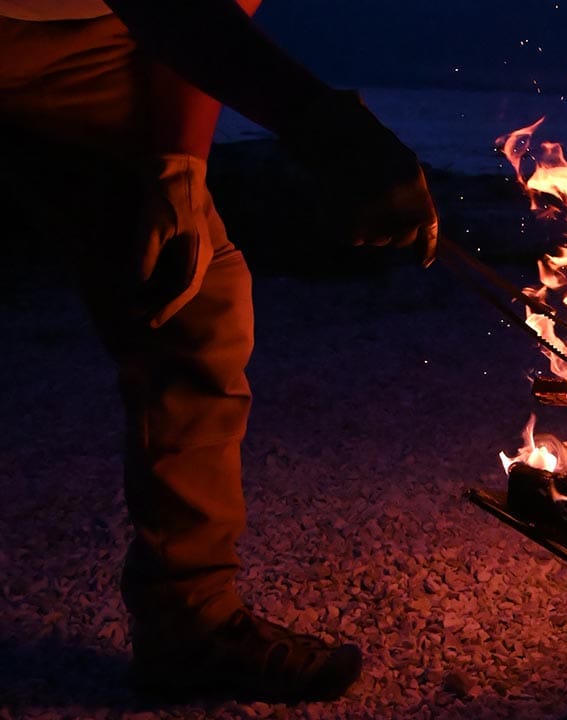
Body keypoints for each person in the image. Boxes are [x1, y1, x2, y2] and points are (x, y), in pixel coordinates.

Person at [0, 0, 438, 703]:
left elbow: (207, 14)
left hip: (84, 38)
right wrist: (326, 128)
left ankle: (188, 625)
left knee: (195, 291)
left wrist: (178, 168)